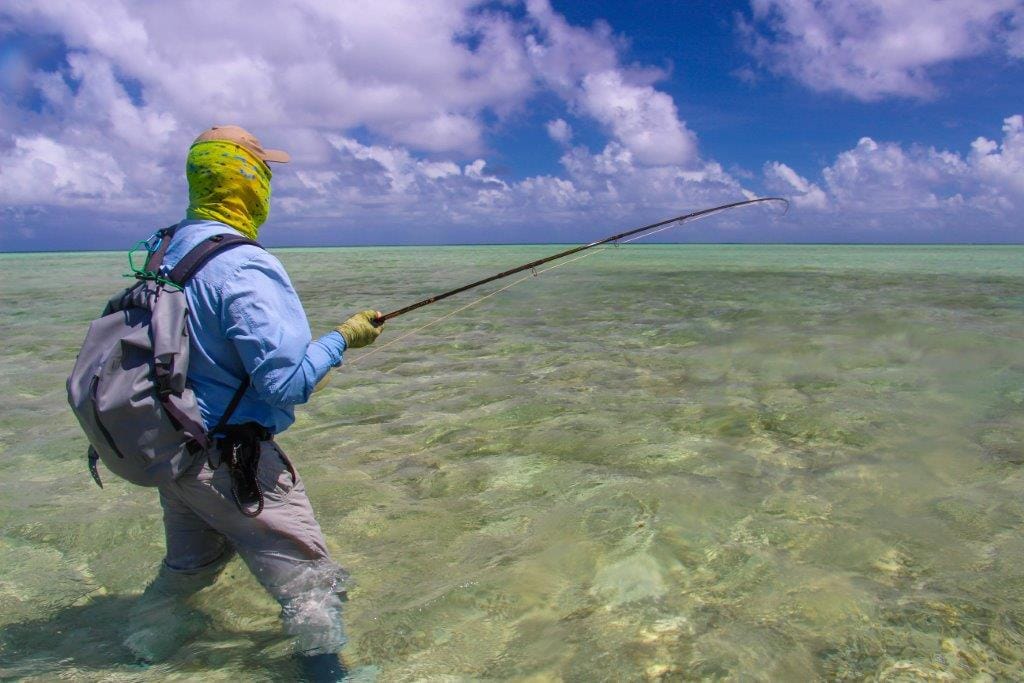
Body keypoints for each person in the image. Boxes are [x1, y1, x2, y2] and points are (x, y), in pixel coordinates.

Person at [123, 125, 380, 681]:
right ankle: (326, 676)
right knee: (311, 579)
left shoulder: (162, 250)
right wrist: (342, 339)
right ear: (249, 182)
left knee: (191, 565)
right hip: (234, 462)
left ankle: (142, 643)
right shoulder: (244, 266)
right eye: (264, 172)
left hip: (172, 447)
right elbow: (286, 385)